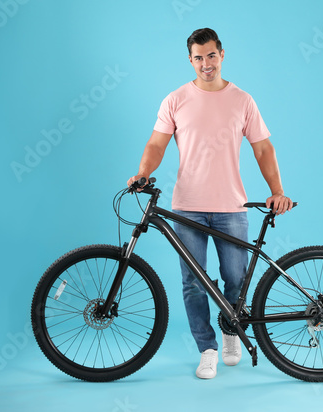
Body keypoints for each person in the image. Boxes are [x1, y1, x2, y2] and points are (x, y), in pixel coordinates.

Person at [127, 28, 292, 379]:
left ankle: (232, 333)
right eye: (199, 57)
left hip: (231, 205)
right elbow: (157, 144)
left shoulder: (242, 100)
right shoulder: (175, 100)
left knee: (235, 280)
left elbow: (263, 148)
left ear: (222, 55)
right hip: (187, 206)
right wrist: (143, 173)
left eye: (211, 55)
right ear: (190, 60)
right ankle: (207, 349)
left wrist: (277, 190)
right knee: (192, 282)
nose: (206, 63)